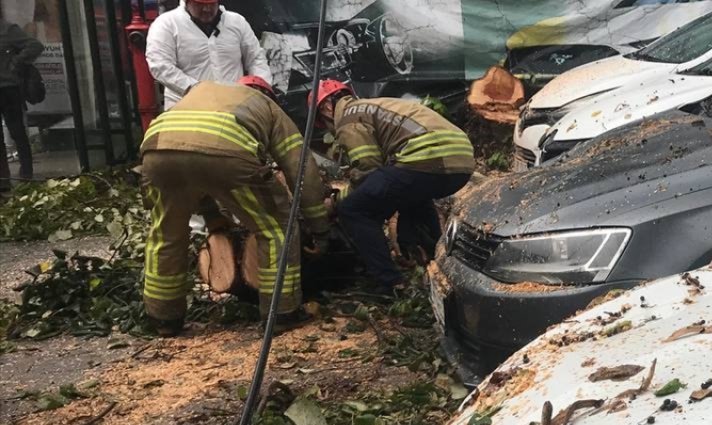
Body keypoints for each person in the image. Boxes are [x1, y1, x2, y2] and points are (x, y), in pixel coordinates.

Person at [138, 76, 330, 336]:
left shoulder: (202, 94)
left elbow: (192, 159)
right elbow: (300, 168)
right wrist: (320, 228)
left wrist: (213, 216)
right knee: (277, 228)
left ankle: (163, 318)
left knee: (166, 233)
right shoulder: (267, 106)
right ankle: (283, 312)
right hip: (228, 152)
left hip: (157, 150)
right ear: (268, 94)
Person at [310, 80, 474, 293]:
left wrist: (336, 200)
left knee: (353, 209)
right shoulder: (376, 105)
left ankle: (392, 283)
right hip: (460, 161)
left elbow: (368, 168)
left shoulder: (348, 118)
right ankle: (441, 265)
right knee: (412, 197)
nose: (330, 129)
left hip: (426, 158)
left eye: (324, 123)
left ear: (326, 108)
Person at [145, 0, 271, 110]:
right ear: (187, 1)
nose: (207, 9)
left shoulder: (237, 22)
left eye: (211, 4)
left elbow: (255, 58)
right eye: (199, 4)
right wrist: (197, 90)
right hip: (186, 109)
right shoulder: (166, 24)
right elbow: (160, 65)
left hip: (235, 106)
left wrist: (260, 89)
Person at [0, 18, 43, 187]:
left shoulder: (7, 29)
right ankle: (3, 178)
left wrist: (16, 63)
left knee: (17, 131)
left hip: (8, 88)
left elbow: (35, 45)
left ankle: (26, 173)